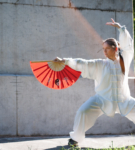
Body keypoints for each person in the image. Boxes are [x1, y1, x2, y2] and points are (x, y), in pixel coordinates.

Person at [54, 18, 135, 147]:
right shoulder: (100, 64)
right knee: (83, 112)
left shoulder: (124, 60)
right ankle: (75, 140)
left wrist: (121, 29)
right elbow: (82, 63)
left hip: (124, 100)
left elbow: (129, 47)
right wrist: (64, 61)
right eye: (103, 49)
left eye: (107, 49)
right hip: (101, 100)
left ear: (115, 49)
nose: (104, 52)